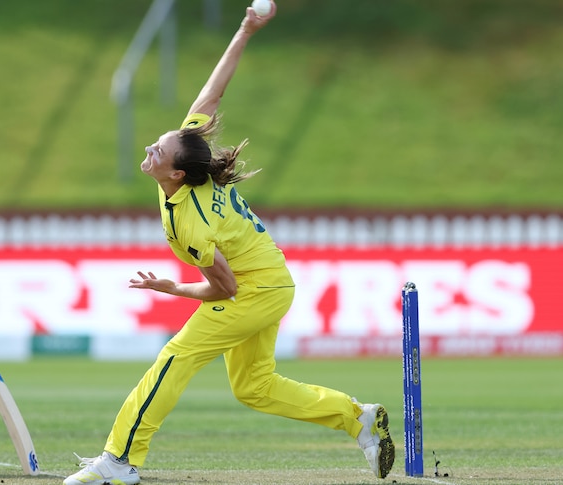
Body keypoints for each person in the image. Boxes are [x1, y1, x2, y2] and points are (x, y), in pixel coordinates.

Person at [63, 3, 394, 484]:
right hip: (272, 281)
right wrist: (244, 29)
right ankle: (356, 418)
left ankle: (121, 459)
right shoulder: (186, 161)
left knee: (176, 357)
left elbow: (224, 288)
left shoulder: (191, 224)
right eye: (158, 141)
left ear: (175, 172)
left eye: (158, 150)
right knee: (254, 388)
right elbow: (212, 94)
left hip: (253, 289)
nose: (150, 149)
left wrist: (172, 288)